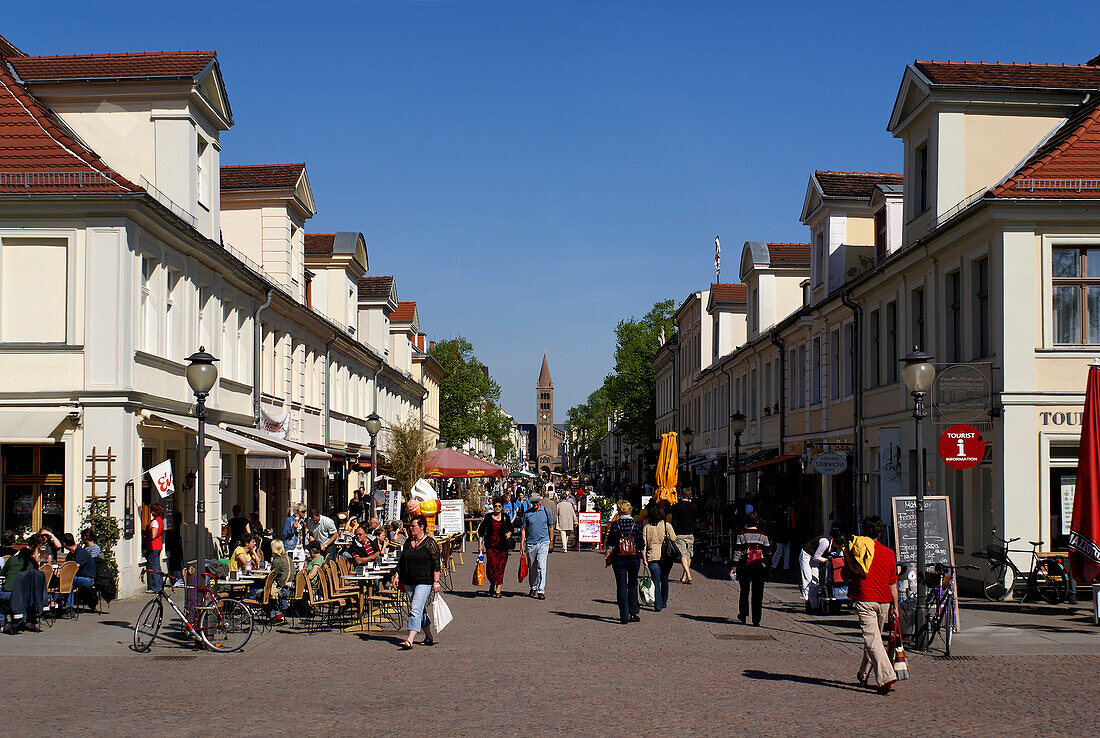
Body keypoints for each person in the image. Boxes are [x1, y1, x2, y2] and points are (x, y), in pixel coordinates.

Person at [848, 515, 899, 695]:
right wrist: (896, 607)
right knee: (874, 640)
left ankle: (886, 678)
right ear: (880, 531)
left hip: (865, 599)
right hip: (884, 601)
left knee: (873, 641)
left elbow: (849, 572)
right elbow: (893, 584)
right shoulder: (889, 553)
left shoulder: (859, 550)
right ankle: (863, 674)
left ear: (864, 531)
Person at [393, 514, 442, 649]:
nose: (411, 529)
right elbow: (402, 561)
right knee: (420, 610)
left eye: (413, 526)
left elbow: (436, 564)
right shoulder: (409, 542)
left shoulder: (430, 543)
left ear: (422, 527)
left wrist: (436, 582)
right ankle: (429, 636)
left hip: (424, 581)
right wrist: (397, 575)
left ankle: (410, 639)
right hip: (409, 581)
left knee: (415, 609)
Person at [605, 500, 645, 624]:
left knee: (621, 586)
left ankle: (623, 616)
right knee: (632, 585)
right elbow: (641, 543)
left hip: (619, 558)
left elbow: (610, 543)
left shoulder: (615, 525)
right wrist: (644, 558)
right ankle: (633, 612)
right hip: (633, 558)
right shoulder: (636, 524)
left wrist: (607, 554)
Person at [1, 534, 49, 632]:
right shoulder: (32, 564)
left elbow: (2, 573)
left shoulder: (12, 560)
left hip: (11, 593)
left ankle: (2, 623)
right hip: (27, 595)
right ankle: (28, 621)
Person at [732, 512, 773, 626]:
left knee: (744, 592)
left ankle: (743, 615)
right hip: (759, 567)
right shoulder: (763, 535)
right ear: (757, 522)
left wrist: (734, 567)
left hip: (745, 567)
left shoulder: (741, 534)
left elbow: (737, 552)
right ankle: (756, 619)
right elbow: (769, 552)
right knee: (758, 594)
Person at [518, 491, 554, 599]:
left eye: (536, 502)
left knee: (541, 566)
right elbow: (523, 529)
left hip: (544, 541)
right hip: (531, 543)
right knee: (532, 566)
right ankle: (533, 587)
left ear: (540, 501)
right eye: (532, 502)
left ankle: (541, 590)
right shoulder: (527, 513)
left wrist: (551, 541)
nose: (534, 504)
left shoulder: (546, 511)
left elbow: (551, 526)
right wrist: (521, 544)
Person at [477, 496, 514, 598]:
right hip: (491, 546)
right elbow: (481, 531)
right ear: (493, 507)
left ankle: (498, 589)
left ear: (502, 507)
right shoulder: (488, 517)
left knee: (500, 567)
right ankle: (492, 584)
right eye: (495, 506)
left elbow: (511, 528)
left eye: (499, 506)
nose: (497, 508)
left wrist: (509, 534)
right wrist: (480, 544)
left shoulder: (505, 517)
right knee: (491, 567)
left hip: (502, 547)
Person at [250, 539, 292, 622]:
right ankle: (277, 614)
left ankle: (275, 615)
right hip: (290, 587)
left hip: (282, 588)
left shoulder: (278, 560)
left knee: (258, 592)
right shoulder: (288, 558)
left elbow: (272, 575)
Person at [643, 510, 676, 612]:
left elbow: (644, 543)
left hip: (653, 556)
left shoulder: (647, 527)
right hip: (666, 556)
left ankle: (657, 604)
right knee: (665, 578)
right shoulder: (667, 525)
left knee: (655, 580)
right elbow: (674, 538)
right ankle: (663, 601)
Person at [800, 532, 841, 613]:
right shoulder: (825, 542)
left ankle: (814, 605)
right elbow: (816, 557)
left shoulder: (836, 547)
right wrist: (826, 560)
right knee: (807, 578)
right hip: (807, 555)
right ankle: (807, 602)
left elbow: (838, 554)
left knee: (815, 581)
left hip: (814, 558)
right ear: (836, 543)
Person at [671, 490, 698, 584]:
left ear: (681, 495)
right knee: (688, 554)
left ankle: (688, 575)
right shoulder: (694, 507)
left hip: (680, 533)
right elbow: (695, 519)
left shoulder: (676, 507)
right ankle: (684, 576)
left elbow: (674, 521)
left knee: (683, 554)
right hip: (690, 533)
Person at [62, 533, 96, 607]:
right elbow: (66, 566)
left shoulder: (81, 553)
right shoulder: (70, 555)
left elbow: (74, 568)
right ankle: (57, 604)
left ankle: (68, 607)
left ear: (64, 544)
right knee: (61, 580)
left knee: (69, 581)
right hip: (78, 577)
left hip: (88, 579)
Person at [145, 503, 165, 591]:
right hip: (158, 545)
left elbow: (153, 535)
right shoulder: (160, 520)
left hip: (153, 546)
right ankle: (160, 585)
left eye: (151, 511)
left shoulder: (155, 522)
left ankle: (155, 587)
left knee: (154, 567)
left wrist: (146, 534)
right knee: (157, 566)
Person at [770, 504, 793, 570]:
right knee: (786, 551)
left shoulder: (778, 517)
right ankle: (786, 566)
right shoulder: (787, 517)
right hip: (785, 535)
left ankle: (773, 565)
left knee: (779, 551)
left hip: (779, 535)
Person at [165, 510, 184, 583]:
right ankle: (179, 578)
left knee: (176, 560)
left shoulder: (175, 519)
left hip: (174, 541)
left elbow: (172, 527)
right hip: (176, 540)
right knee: (179, 560)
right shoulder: (179, 516)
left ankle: (178, 578)